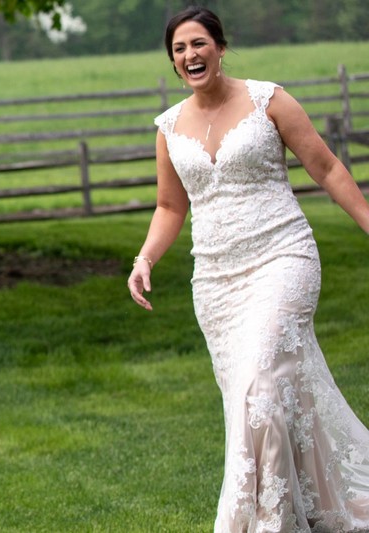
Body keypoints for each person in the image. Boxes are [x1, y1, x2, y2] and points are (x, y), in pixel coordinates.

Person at [127, 6, 369, 532]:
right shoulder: (169, 127)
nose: (190, 55)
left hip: (283, 257)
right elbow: (170, 207)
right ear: (172, 61)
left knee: (260, 385)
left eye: (198, 44)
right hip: (216, 282)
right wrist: (144, 259)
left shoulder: (268, 100)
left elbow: (325, 166)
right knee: (255, 398)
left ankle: (266, 522)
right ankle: (311, 503)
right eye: (179, 49)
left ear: (219, 45)